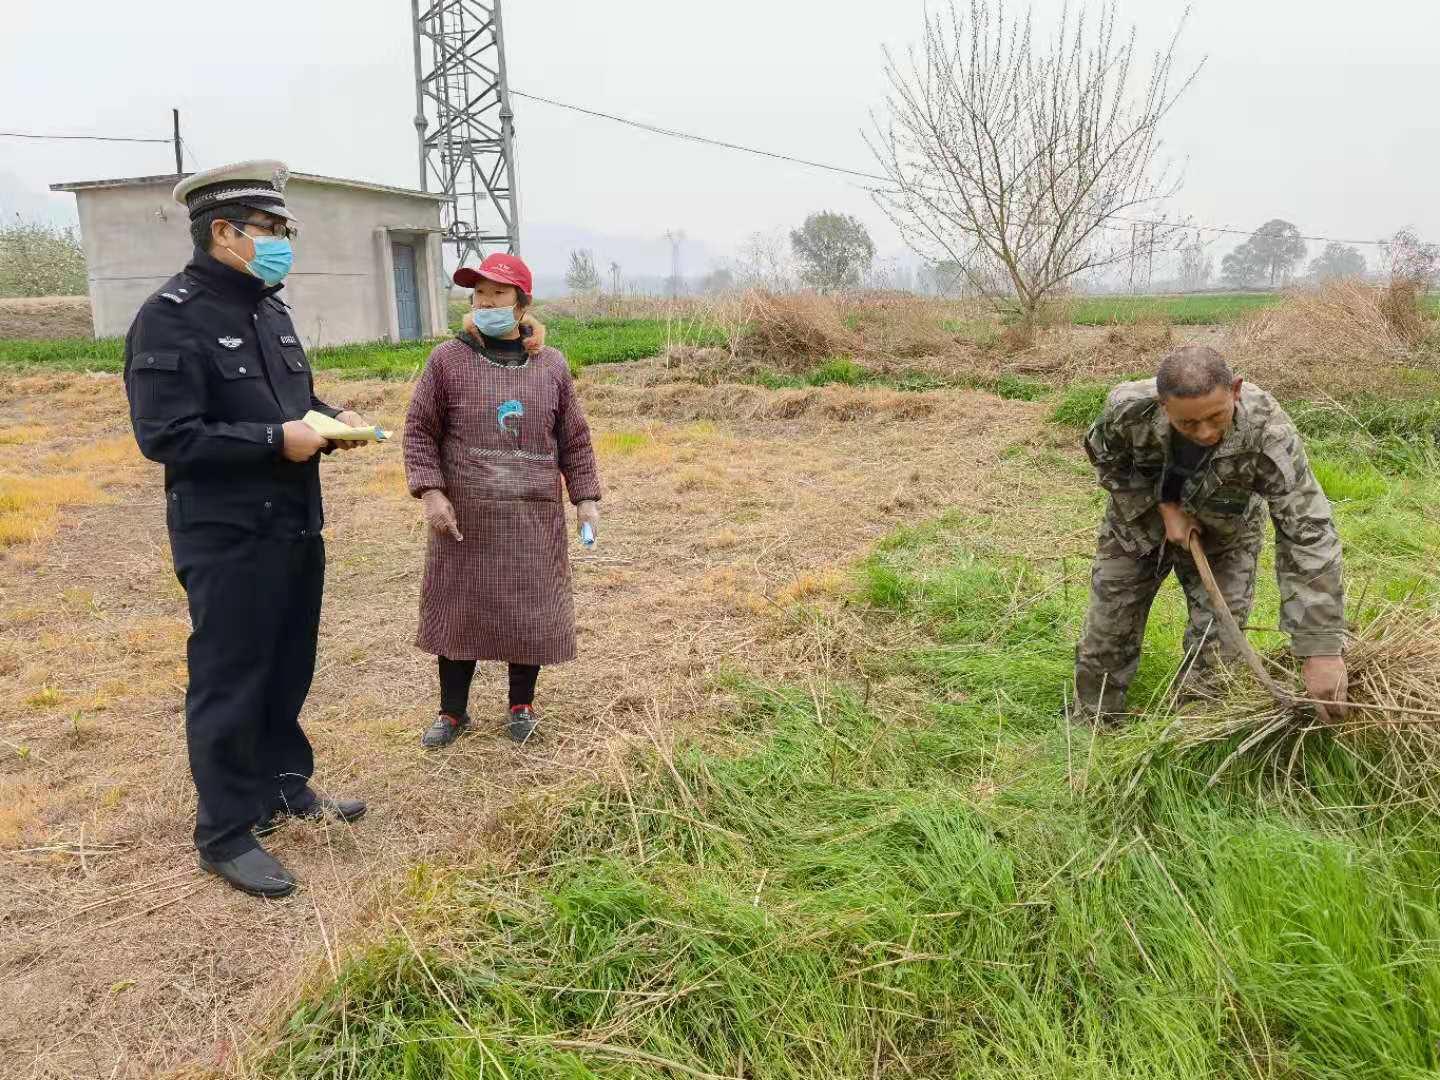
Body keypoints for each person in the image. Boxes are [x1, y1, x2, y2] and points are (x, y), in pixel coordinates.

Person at [124, 160, 370, 898]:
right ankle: (226, 830)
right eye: (272, 231)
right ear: (224, 232)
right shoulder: (169, 317)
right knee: (231, 677)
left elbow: (289, 397)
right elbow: (166, 435)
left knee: (288, 662)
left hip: (295, 521)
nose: (282, 243)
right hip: (226, 533)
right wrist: (275, 443)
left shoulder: (269, 308)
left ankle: (283, 788)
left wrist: (333, 418)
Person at [1074, 344, 1348, 722]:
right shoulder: (1128, 407)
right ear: (1162, 404)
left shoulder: (1269, 432)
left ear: (1235, 389)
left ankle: (1191, 736)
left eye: (1216, 417)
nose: (1204, 432)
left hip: (1226, 533)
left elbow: (1308, 531)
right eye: (1187, 423)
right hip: (1136, 526)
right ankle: (1092, 725)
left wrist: (1321, 648)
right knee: (1107, 632)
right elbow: (1105, 457)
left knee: (1218, 648)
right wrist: (1165, 509)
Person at [403, 254, 602, 747]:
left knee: (528, 606)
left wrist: (586, 498)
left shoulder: (550, 365)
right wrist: (431, 492)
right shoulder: (448, 359)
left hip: (532, 512)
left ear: (521, 302)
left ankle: (521, 705)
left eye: (498, 292)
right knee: (459, 607)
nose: (487, 301)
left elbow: (573, 437)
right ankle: (452, 712)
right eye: (479, 294)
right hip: (466, 512)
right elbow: (419, 430)